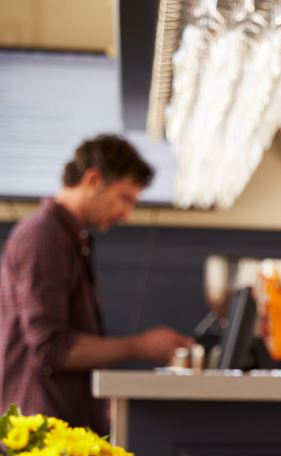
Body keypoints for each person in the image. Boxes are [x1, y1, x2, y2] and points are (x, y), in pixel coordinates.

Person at [0, 134, 191, 435]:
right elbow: (52, 349)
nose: (126, 215)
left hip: (60, 431)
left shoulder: (70, 238)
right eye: (124, 198)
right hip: (41, 440)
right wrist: (141, 345)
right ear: (93, 179)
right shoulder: (43, 236)